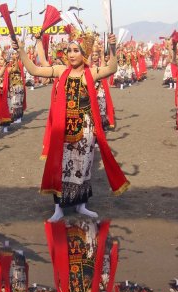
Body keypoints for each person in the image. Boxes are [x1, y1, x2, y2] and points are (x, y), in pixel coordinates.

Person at [14, 29, 129, 222]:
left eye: (76, 50)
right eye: (69, 50)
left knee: (83, 166)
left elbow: (112, 69)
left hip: (85, 128)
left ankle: (81, 205)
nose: (71, 54)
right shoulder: (60, 71)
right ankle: (58, 207)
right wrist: (22, 52)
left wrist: (113, 47)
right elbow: (34, 70)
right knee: (61, 165)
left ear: (83, 54)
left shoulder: (90, 73)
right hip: (63, 127)